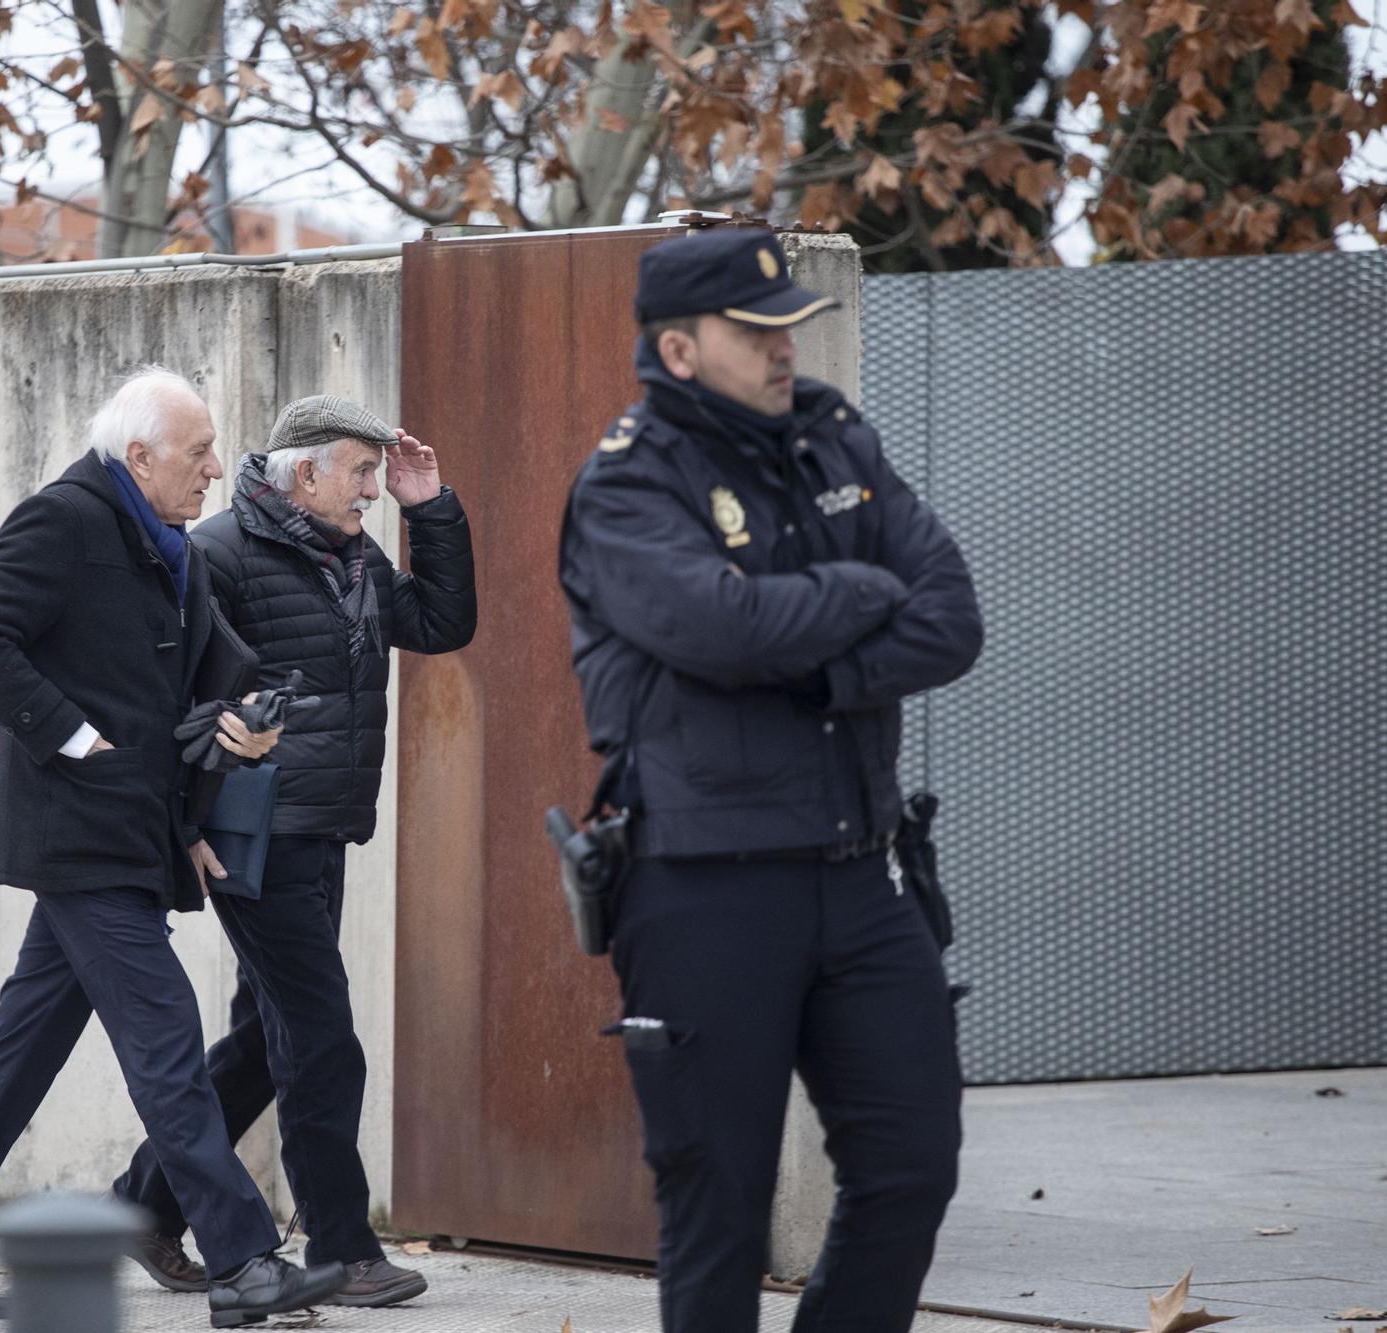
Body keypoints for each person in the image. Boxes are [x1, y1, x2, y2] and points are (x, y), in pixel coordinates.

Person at [558, 228, 984, 1333]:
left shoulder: (835, 441)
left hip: (858, 875)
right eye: (753, 332)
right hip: (702, 888)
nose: (782, 346)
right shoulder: (624, 482)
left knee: (911, 1164)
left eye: (787, 324)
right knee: (719, 1211)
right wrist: (857, 588)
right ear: (680, 350)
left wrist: (807, 670)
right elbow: (717, 627)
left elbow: (948, 618)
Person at [0, 367, 347, 1328]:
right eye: (199, 451)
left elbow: (199, 690)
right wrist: (74, 736)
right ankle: (245, 1259)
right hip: (78, 834)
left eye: (214, 449)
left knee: (18, 1053)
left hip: (137, 833)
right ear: (139, 457)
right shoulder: (65, 520)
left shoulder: (166, 545)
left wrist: (232, 745)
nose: (217, 467)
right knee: (168, 1041)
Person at [112, 395, 477, 1307]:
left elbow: (440, 622)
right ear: (304, 472)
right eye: (361, 472)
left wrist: (430, 507)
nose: (371, 491)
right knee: (321, 1037)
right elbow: (173, 704)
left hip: (323, 826)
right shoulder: (220, 554)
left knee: (264, 1039)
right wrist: (186, 825)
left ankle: (144, 1202)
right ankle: (342, 1247)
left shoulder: (351, 554)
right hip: (249, 835)